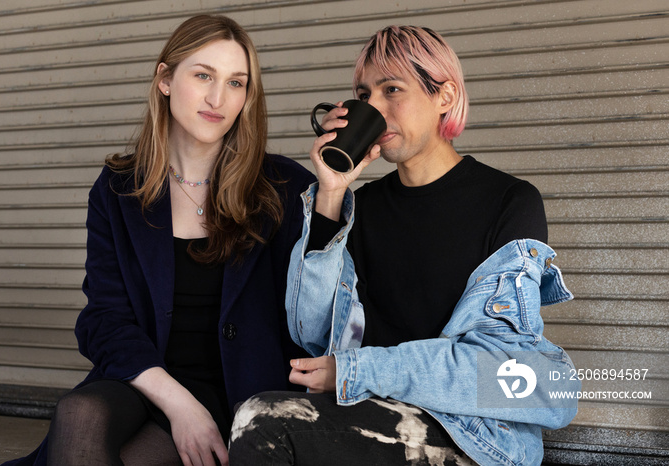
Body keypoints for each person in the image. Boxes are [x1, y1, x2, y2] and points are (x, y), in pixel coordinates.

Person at [228, 25, 579, 465]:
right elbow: (311, 333)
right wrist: (332, 193)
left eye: (391, 88)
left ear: (444, 97)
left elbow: (499, 374)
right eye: (363, 93)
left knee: (262, 421)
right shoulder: (361, 208)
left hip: (472, 437)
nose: (373, 105)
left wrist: (359, 371)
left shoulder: (508, 201)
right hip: (372, 419)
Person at [3, 14, 315, 466]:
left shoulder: (283, 186)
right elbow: (104, 319)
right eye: (203, 75)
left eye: (236, 83)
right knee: (80, 414)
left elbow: (320, 311)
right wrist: (180, 405)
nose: (217, 98)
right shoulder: (118, 188)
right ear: (165, 79)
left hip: (241, 390)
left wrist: (334, 191)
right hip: (148, 383)